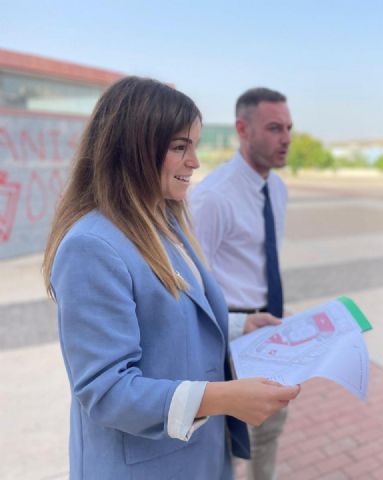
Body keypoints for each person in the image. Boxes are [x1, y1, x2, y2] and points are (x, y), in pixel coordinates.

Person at [42, 77, 299, 480]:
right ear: (131, 150)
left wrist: (240, 324)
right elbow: (107, 392)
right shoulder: (91, 247)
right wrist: (221, 398)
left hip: (197, 456)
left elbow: (169, 322)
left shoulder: (165, 223)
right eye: (180, 147)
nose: (194, 161)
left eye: (193, 146)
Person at [189, 87, 292, 480]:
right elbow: (191, 287)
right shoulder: (213, 197)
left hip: (270, 332)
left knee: (270, 432)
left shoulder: (277, 189)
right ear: (242, 129)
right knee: (226, 444)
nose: (286, 138)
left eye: (288, 128)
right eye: (273, 128)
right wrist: (236, 325)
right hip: (228, 338)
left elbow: (262, 264)